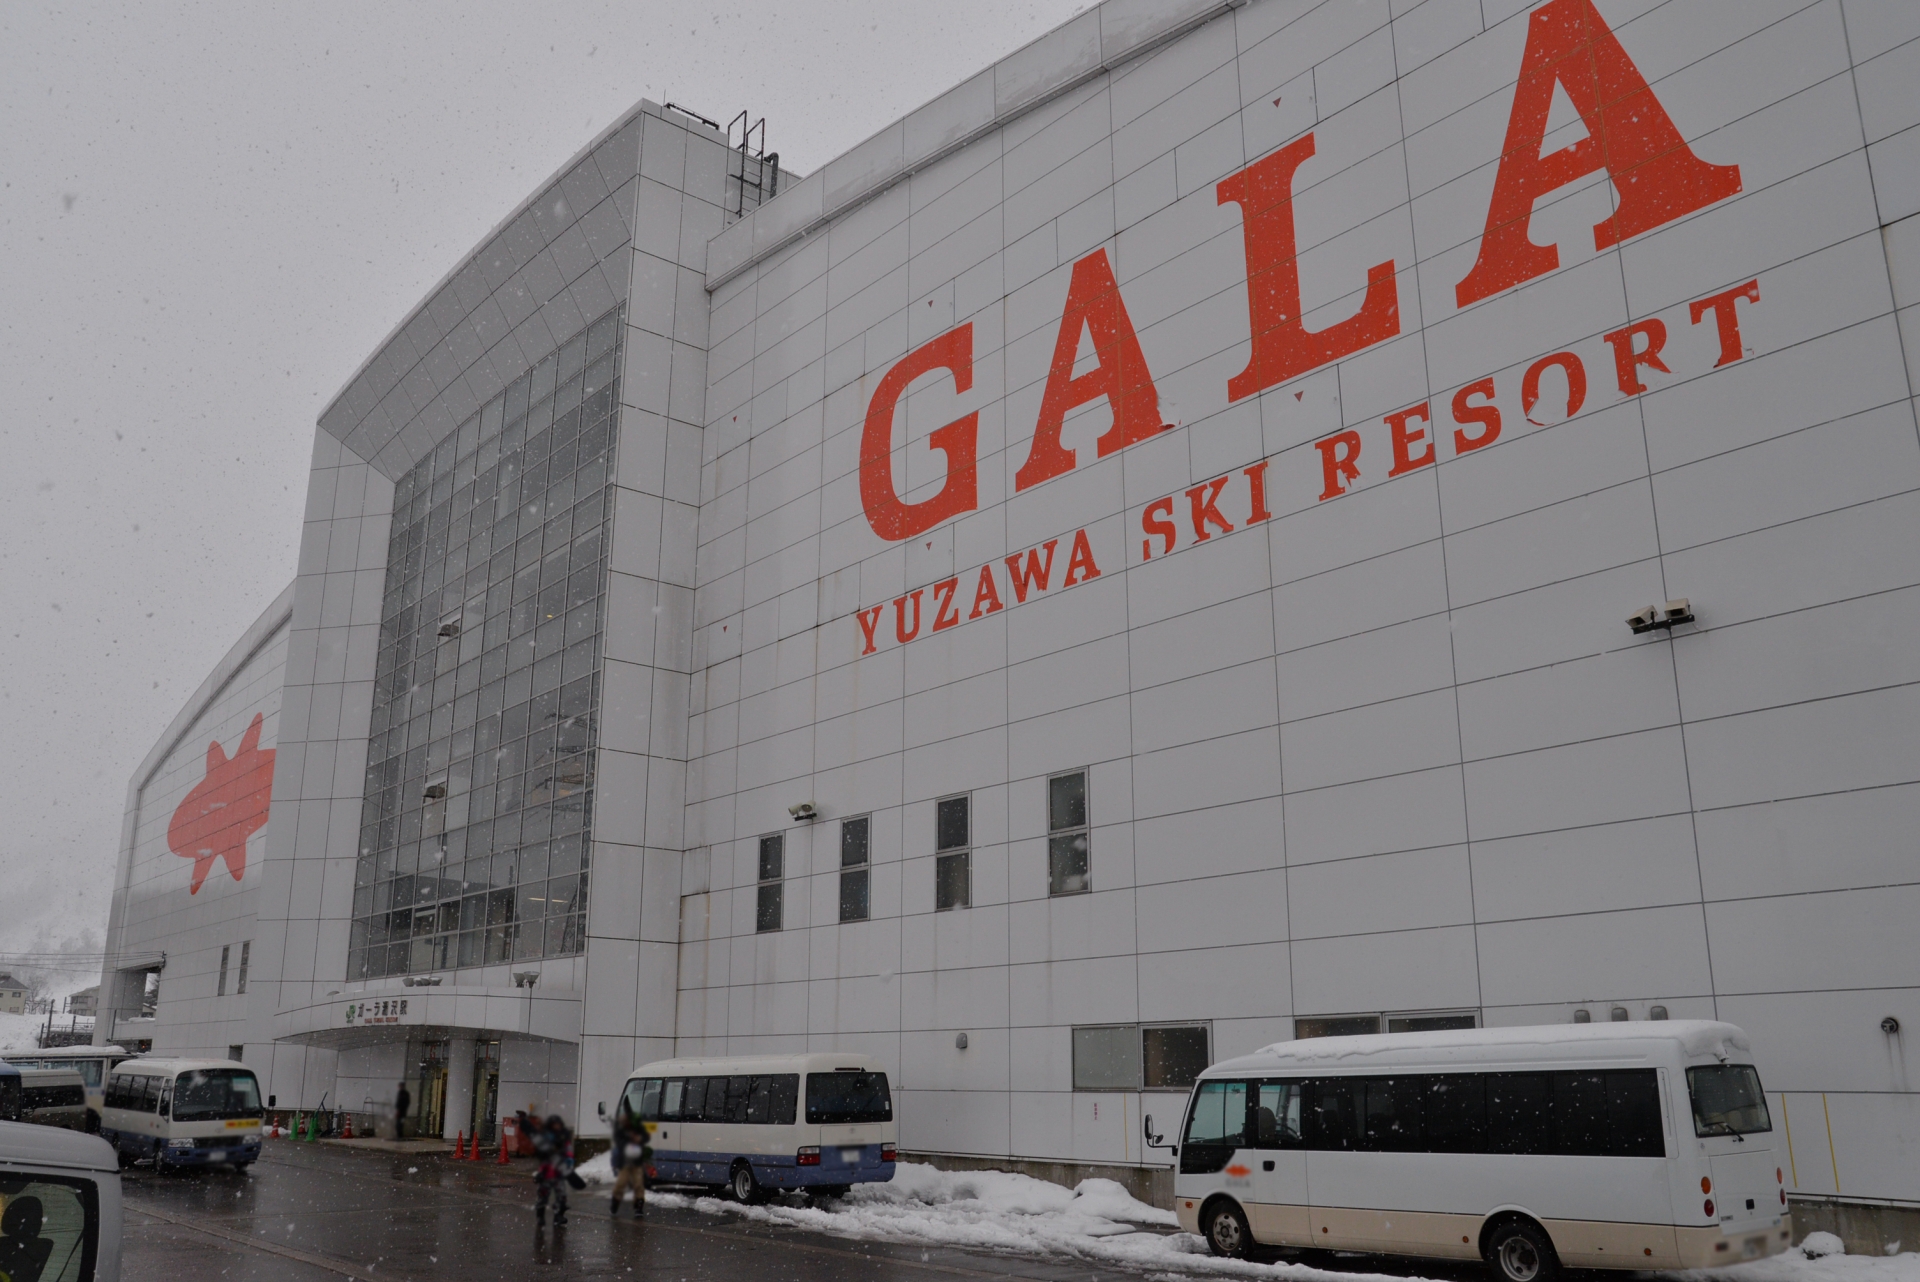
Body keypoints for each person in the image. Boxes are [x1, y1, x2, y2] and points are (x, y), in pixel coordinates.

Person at [608, 1099, 651, 1217]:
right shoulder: (620, 1129)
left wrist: (639, 1139)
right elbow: (619, 1142)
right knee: (620, 1184)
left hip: (637, 1161)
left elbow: (646, 1137)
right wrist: (629, 1140)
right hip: (625, 1162)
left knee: (638, 1185)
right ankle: (615, 1204)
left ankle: (639, 1208)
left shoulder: (637, 1127)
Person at [533, 1113, 575, 1226]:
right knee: (543, 1195)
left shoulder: (563, 1137)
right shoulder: (545, 1137)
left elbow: (569, 1151)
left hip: (559, 1172)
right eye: (554, 1124)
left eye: (558, 1124)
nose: (557, 1127)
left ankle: (558, 1216)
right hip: (547, 1172)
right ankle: (540, 1216)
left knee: (561, 1196)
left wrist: (569, 1162)